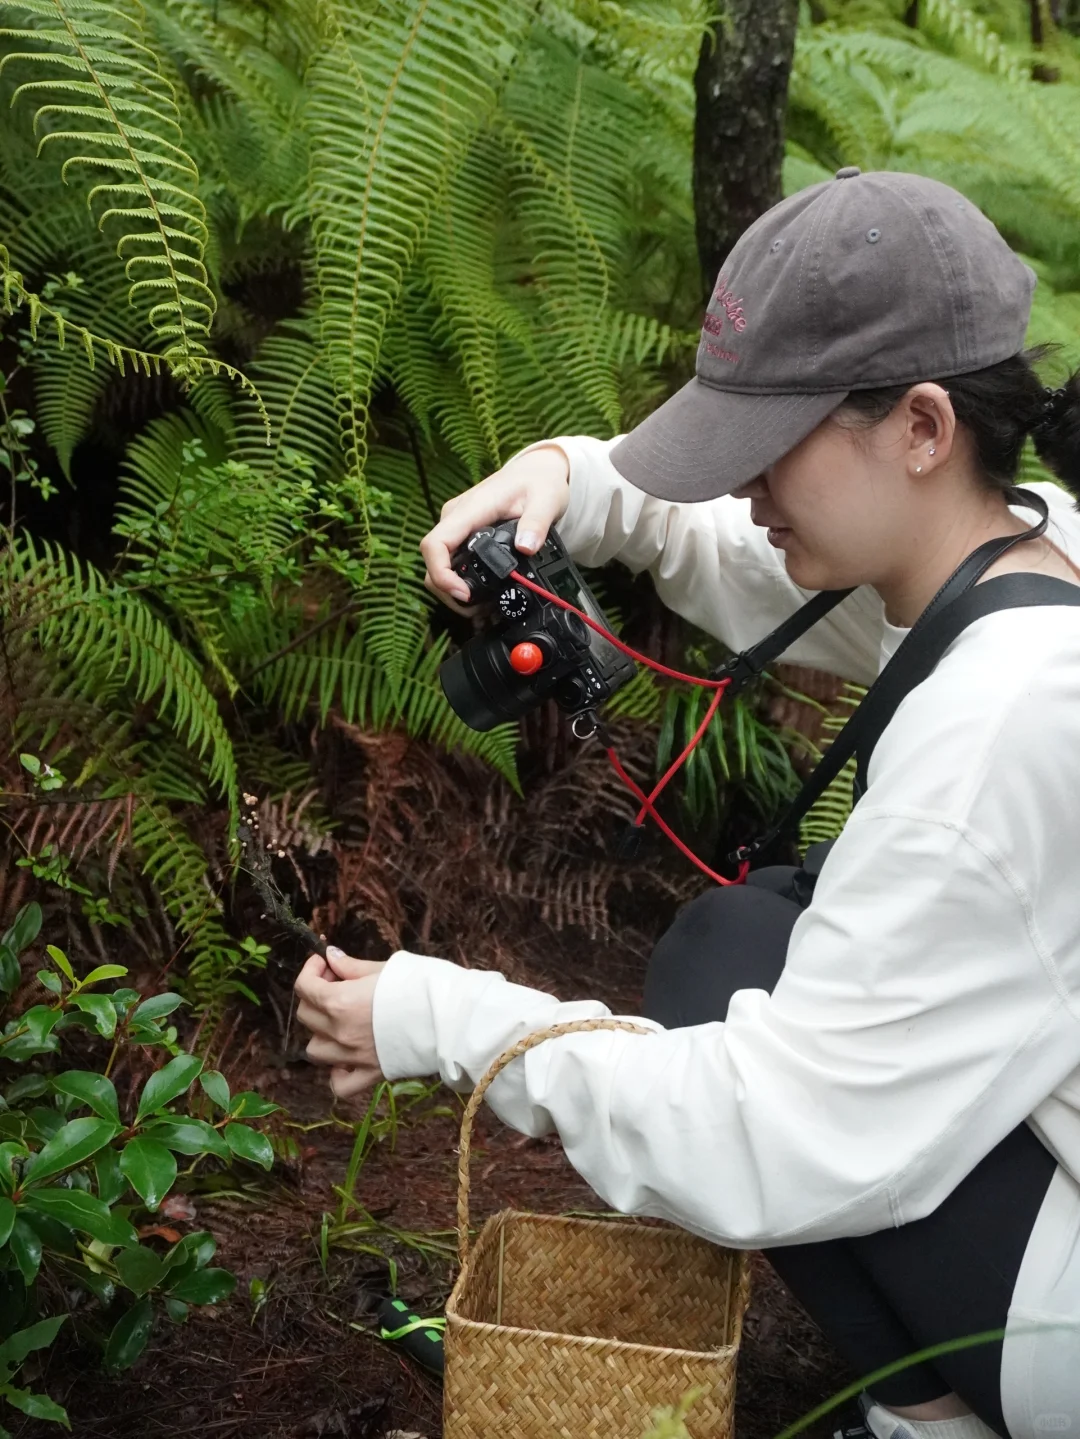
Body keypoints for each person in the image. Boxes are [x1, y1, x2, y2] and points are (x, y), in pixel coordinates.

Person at [294, 170, 1080, 1439]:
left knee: (742, 976)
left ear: (924, 425)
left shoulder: (997, 738)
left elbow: (766, 1138)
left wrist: (440, 1016)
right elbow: (744, 554)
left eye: (769, 445)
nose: (747, 485)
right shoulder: (1038, 552)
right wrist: (570, 477)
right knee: (742, 940)